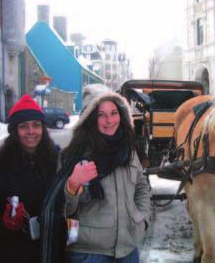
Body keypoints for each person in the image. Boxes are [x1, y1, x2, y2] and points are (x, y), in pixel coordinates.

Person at [43, 84, 151, 263]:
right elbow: (65, 211)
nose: (109, 120)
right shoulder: (72, 155)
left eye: (114, 113)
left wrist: (143, 219)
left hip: (128, 250)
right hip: (89, 254)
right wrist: (73, 185)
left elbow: (141, 187)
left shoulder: (128, 151)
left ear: (121, 115)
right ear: (90, 119)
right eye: (101, 115)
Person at [0, 94, 58, 263]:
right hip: (14, 252)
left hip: (50, 250)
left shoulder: (56, 161)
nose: (31, 132)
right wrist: (6, 223)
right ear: (15, 131)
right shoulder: (3, 165)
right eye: (24, 126)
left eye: (36, 125)